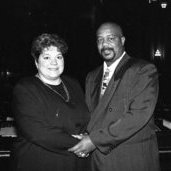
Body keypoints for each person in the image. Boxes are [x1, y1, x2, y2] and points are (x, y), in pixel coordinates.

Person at [68, 22, 160, 171]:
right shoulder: (92, 76)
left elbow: (137, 116)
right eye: (100, 40)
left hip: (130, 159)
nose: (105, 44)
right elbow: (91, 116)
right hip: (98, 160)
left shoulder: (142, 70)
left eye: (110, 38)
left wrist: (94, 140)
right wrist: (83, 136)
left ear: (122, 41)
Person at [9, 33, 90, 171]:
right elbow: (38, 132)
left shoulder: (73, 84)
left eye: (58, 57)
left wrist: (89, 135)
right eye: (47, 57)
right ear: (36, 62)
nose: (54, 62)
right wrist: (84, 144)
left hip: (76, 163)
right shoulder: (25, 88)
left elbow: (85, 118)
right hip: (41, 162)